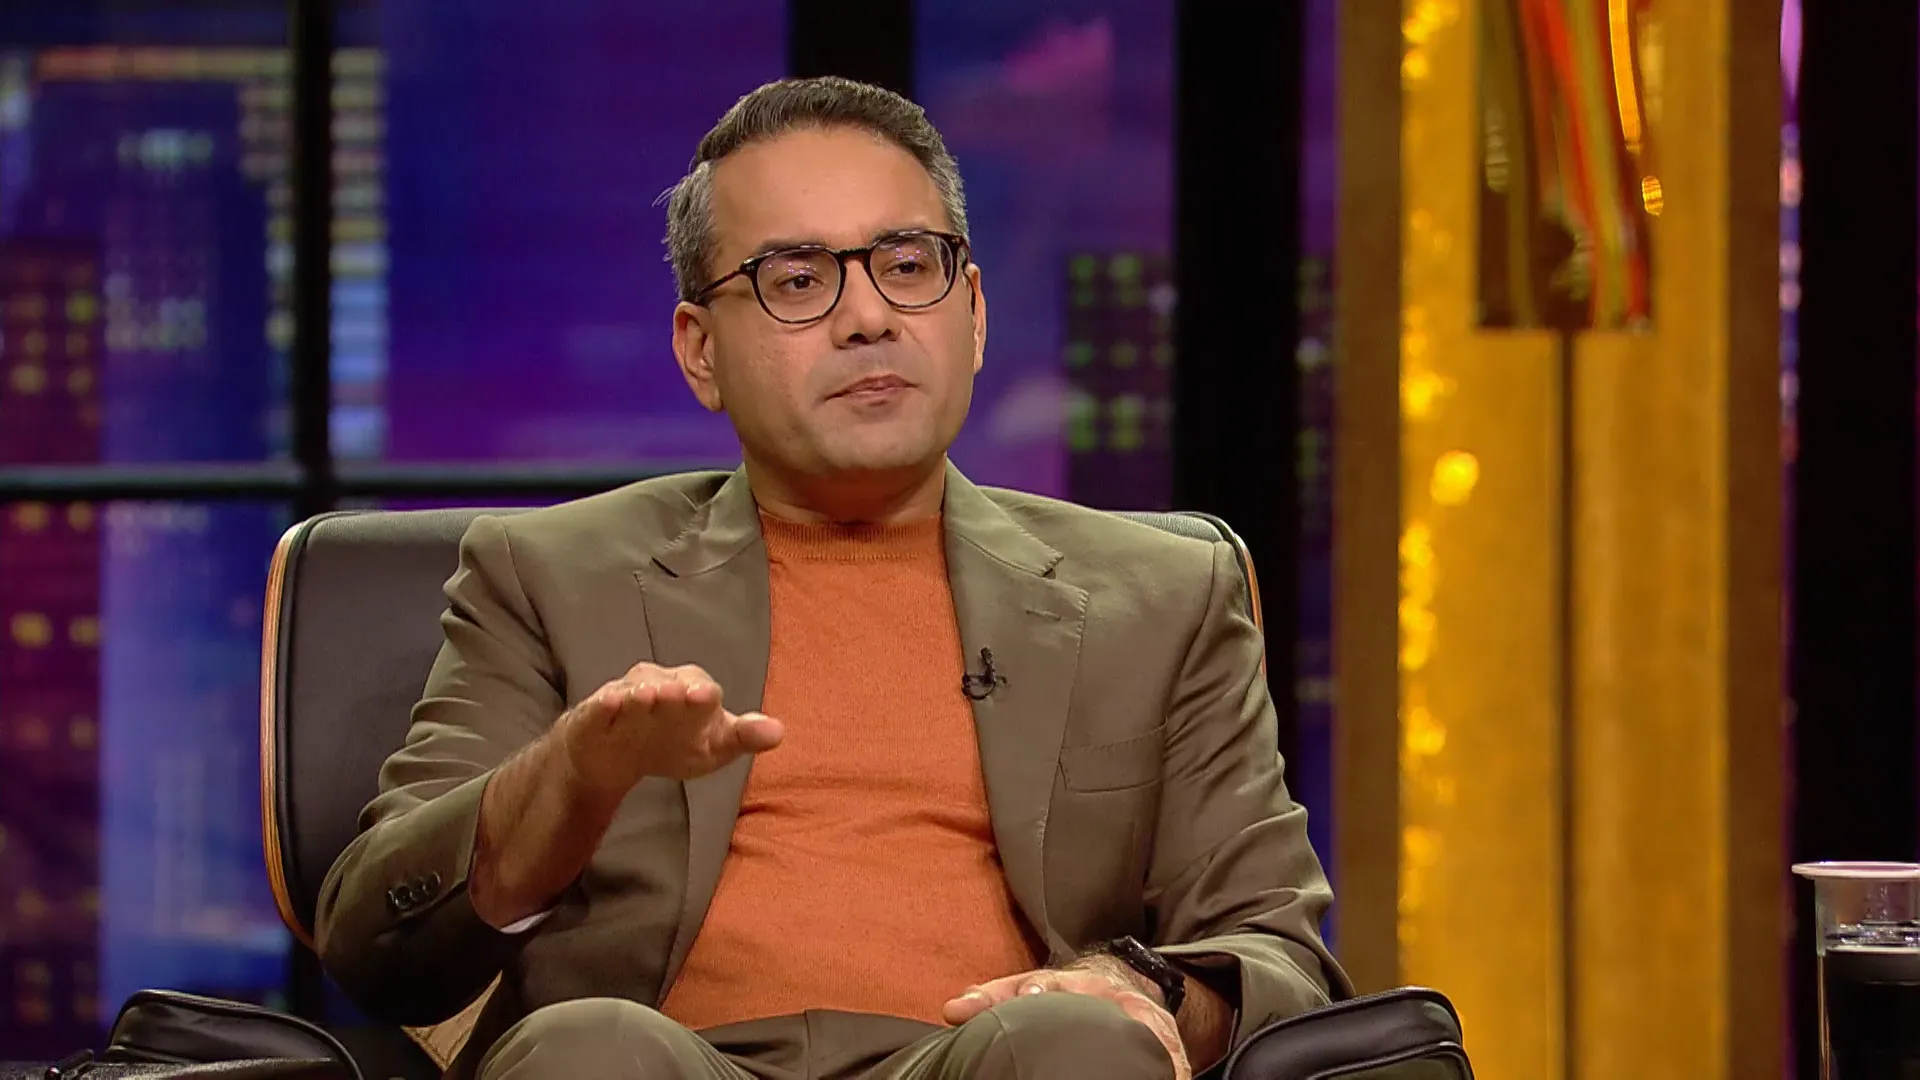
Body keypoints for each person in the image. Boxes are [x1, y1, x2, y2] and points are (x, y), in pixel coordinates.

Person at [314, 76, 1349, 1080]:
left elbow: (1277, 957)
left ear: (973, 314)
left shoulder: (1164, 598)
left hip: (999, 1059)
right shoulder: (546, 574)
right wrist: (569, 778)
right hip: (659, 1060)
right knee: (590, 1050)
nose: (869, 318)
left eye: (907, 264)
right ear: (699, 351)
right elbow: (376, 944)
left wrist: (1142, 991)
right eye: (799, 281)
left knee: (1074, 1045)